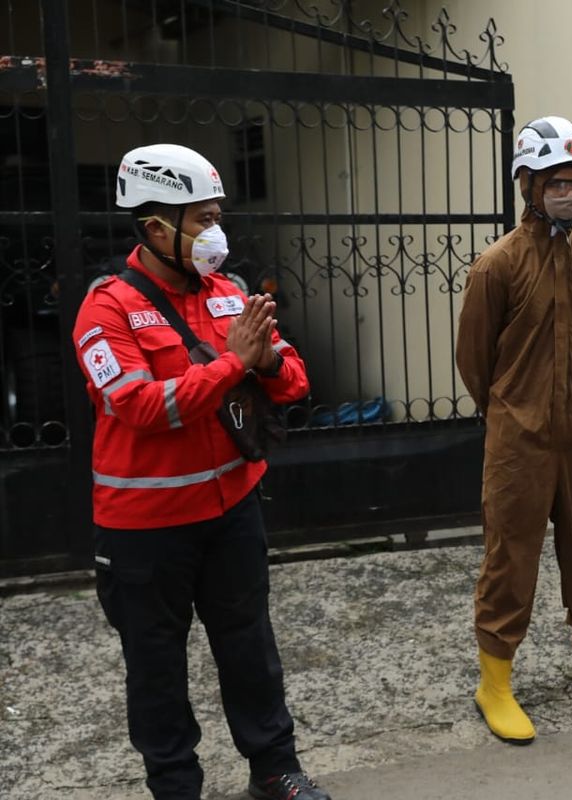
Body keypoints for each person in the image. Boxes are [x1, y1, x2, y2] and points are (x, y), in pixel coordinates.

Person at [72, 144, 330, 800]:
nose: (215, 232)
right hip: (146, 528)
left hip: (232, 510)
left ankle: (275, 769)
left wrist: (263, 364)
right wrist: (232, 366)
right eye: (200, 219)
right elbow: (136, 405)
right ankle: (175, 786)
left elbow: (294, 380)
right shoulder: (105, 309)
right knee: (155, 670)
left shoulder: (230, 294)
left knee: (250, 649)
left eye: (217, 216)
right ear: (155, 227)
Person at [456, 116, 572, 745]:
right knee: (511, 553)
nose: (571, 192)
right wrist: (513, 407)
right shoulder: (498, 265)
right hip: (520, 434)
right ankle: (496, 682)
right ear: (528, 185)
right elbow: (474, 359)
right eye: (558, 182)